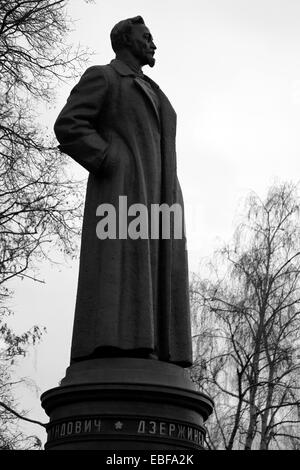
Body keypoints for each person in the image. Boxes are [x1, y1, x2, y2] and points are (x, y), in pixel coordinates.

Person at [54, 16, 193, 367]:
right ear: (126, 41)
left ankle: (163, 350)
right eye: (146, 37)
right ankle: (120, 347)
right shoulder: (105, 76)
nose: (153, 43)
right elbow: (69, 124)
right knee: (125, 266)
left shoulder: (155, 90)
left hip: (162, 199)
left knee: (161, 268)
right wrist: (109, 158)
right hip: (125, 192)